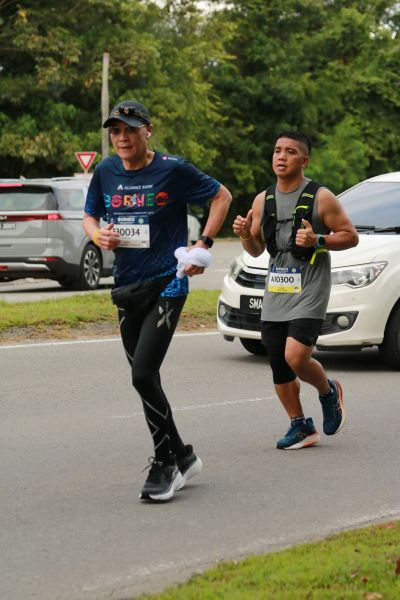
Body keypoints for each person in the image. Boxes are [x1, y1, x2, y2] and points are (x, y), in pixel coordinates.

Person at [83, 100, 232, 500]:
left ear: (147, 131)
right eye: (116, 130)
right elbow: (90, 216)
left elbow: (222, 196)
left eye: (130, 129)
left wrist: (202, 244)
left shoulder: (172, 168)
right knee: (146, 377)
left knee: (142, 374)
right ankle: (182, 454)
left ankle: (166, 463)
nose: (122, 137)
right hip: (126, 287)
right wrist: (97, 235)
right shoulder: (105, 171)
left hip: (169, 282)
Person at [232, 131, 358, 450]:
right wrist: (246, 234)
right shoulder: (263, 199)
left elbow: (350, 235)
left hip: (310, 289)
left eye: (290, 151)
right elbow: (256, 250)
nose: (281, 156)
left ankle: (328, 391)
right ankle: (300, 425)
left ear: (304, 160)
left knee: (296, 357)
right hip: (277, 290)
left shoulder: (321, 197)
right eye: (277, 150)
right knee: (278, 362)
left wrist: (319, 240)